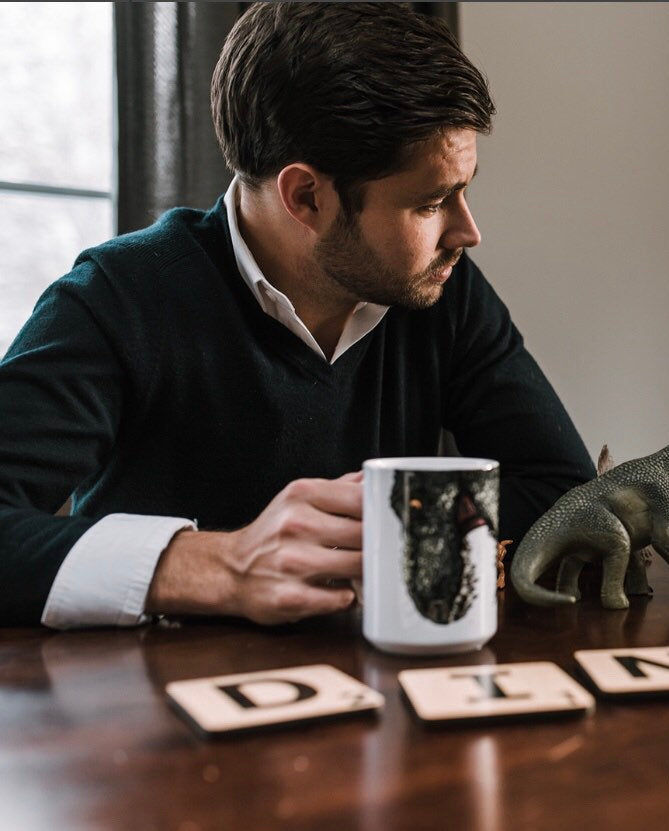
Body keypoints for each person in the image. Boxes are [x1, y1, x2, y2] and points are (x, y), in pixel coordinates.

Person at [0, 3, 595, 628]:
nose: (467, 233)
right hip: (160, 708)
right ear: (306, 196)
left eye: (463, 190)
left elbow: (566, 494)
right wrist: (219, 564)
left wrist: (371, 524)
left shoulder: (443, 290)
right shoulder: (116, 298)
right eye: (431, 203)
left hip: (390, 700)